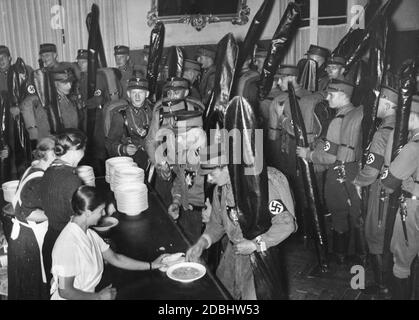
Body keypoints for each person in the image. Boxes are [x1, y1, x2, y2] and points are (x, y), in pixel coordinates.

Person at [186, 150, 296, 300]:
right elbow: (216, 225)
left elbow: (286, 224)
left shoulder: (260, 188)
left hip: (259, 256)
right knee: (220, 294)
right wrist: (202, 243)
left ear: (228, 168)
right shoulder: (220, 190)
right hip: (234, 252)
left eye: (212, 173)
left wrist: (255, 244)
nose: (209, 179)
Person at [50, 185, 167, 300]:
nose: (103, 214)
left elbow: (115, 258)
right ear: (88, 213)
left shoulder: (88, 233)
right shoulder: (67, 245)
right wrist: (99, 297)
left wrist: (152, 265)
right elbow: (65, 291)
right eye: (100, 210)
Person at [296, 79, 360, 264]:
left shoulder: (337, 120)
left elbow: (330, 157)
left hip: (338, 172)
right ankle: (354, 254)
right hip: (353, 168)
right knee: (353, 212)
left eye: (332, 94)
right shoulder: (356, 113)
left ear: (343, 95)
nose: (328, 97)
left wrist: (308, 154)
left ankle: (339, 254)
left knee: (337, 209)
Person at [351, 86, 398, 297]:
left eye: (380, 102)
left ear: (388, 104)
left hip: (381, 188)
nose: (376, 105)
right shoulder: (403, 127)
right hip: (398, 188)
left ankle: (382, 285)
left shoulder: (383, 132)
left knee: (375, 233)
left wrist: (358, 183)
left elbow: (372, 168)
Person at [7, 137, 56, 300]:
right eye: (57, 151)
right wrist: (55, 213)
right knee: (32, 286)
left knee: (25, 286)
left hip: (21, 239)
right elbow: (27, 213)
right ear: (48, 154)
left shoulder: (32, 169)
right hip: (29, 241)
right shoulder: (38, 178)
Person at [381, 95, 419, 299]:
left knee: (401, 259)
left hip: (413, 209)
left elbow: (389, 183)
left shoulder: (413, 147)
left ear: (412, 117)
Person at [41, 129, 86, 286]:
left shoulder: (49, 170)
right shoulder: (72, 180)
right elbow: (79, 219)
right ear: (75, 150)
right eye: (84, 149)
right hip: (66, 245)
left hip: (50, 240)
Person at [20, 67, 79, 144]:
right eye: (65, 83)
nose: (70, 86)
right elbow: (45, 133)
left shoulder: (67, 99)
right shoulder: (46, 104)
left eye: (70, 82)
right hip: (53, 145)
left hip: (68, 142)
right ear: (54, 84)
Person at [105, 77, 153, 171]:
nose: (137, 97)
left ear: (147, 94)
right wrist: (124, 149)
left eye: (141, 93)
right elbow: (109, 143)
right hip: (131, 162)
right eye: (134, 93)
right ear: (128, 94)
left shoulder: (154, 112)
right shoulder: (121, 115)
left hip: (152, 160)